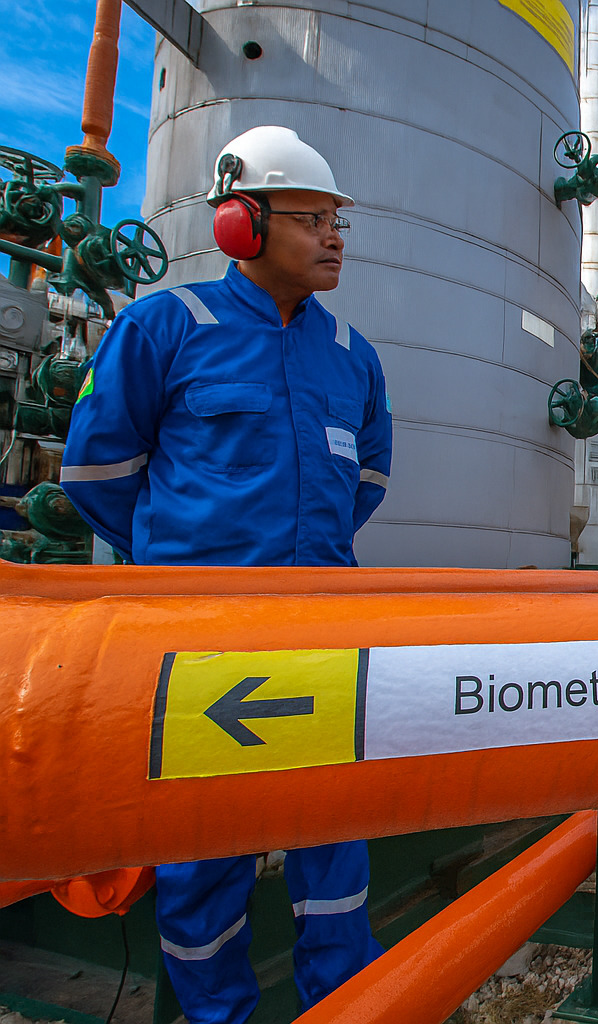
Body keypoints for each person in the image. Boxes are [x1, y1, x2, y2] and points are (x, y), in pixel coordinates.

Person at [61, 125, 391, 1022]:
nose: (334, 238)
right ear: (242, 223)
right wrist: (179, 561)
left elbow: (366, 481)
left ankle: (347, 1005)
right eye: (313, 219)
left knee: (334, 836)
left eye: (338, 222)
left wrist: (301, 562)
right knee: (205, 852)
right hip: (199, 643)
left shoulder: (352, 354)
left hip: (321, 634)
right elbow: (94, 472)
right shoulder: (165, 327)